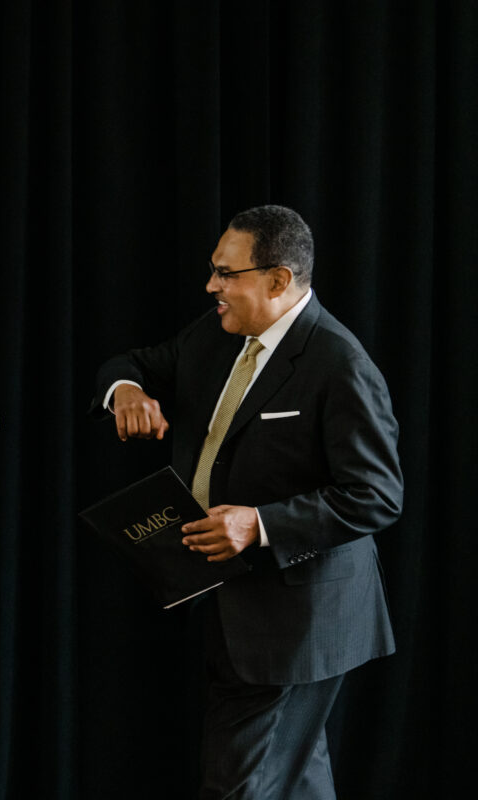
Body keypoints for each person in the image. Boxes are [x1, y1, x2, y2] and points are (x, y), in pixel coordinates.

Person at [92, 205, 402, 798]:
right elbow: (129, 363)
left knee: (239, 785)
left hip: (298, 622)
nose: (212, 286)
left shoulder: (340, 363)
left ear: (279, 280)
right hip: (228, 604)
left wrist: (260, 524)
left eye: (227, 274)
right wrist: (126, 390)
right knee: (296, 779)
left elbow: (377, 495)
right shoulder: (215, 332)